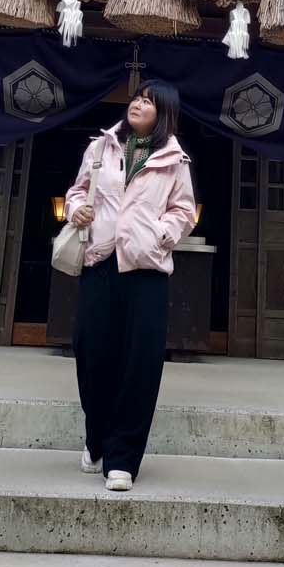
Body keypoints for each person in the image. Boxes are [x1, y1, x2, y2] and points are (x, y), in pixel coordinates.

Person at [62, 80, 196, 491]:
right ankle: (96, 436)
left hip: (147, 270)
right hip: (100, 261)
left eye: (148, 101)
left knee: (139, 365)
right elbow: (78, 189)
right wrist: (75, 208)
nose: (138, 103)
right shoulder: (101, 146)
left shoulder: (175, 160)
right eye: (137, 97)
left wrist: (162, 234)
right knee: (91, 353)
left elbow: (184, 210)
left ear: (164, 114)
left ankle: (122, 458)